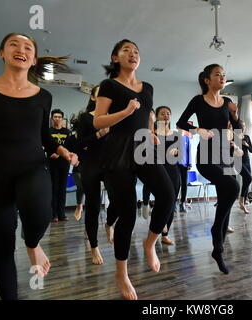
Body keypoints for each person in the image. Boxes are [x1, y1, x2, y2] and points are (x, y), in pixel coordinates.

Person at [0, 33, 77, 300]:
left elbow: (44, 137)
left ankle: (33, 244)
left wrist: (62, 150)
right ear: (1, 52)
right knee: (1, 244)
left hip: (32, 167)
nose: (21, 49)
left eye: (28, 47)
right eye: (13, 44)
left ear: (33, 59)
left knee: (39, 210)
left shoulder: (43, 96)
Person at [94, 39, 175, 300]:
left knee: (167, 194)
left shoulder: (147, 87)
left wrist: (151, 133)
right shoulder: (109, 85)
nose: (133, 54)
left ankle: (150, 242)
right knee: (127, 214)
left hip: (142, 145)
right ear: (115, 57)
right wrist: (126, 111)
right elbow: (98, 121)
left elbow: (148, 116)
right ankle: (121, 272)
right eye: (126, 50)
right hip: (117, 148)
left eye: (136, 51)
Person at [177, 63, 241, 275]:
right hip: (205, 156)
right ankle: (217, 230)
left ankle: (218, 248)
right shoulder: (198, 101)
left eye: (224, 74)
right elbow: (181, 123)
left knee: (228, 192)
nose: (222, 77)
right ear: (207, 79)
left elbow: (238, 129)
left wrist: (236, 116)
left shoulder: (228, 102)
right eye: (217, 74)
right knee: (232, 187)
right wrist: (198, 129)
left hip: (224, 154)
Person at [77, 85, 118, 264]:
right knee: (93, 207)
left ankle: (109, 224)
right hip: (90, 164)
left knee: (118, 199)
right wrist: (99, 133)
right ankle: (94, 247)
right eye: (100, 93)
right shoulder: (85, 118)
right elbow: (80, 144)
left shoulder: (115, 117)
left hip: (110, 165)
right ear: (93, 98)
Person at [155, 106, 181, 245]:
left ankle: (165, 233)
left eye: (168, 114)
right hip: (159, 171)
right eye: (162, 114)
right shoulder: (152, 133)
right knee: (163, 201)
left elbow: (180, 154)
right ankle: (158, 228)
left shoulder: (175, 134)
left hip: (173, 170)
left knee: (172, 202)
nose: (166, 116)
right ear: (157, 117)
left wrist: (176, 150)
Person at [48, 108, 72, 222]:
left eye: (59, 117)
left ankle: (62, 214)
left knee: (62, 188)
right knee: (54, 188)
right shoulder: (48, 131)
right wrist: (52, 153)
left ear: (62, 119)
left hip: (64, 163)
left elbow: (69, 146)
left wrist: (61, 154)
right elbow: (45, 145)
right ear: (52, 118)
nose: (57, 119)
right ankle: (53, 215)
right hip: (52, 163)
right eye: (55, 117)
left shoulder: (67, 132)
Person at [66, 113, 85, 221]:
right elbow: (66, 152)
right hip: (77, 167)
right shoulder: (71, 139)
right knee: (80, 184)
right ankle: (79, 205)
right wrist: (73, 160)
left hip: (89, 165)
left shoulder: (89, 138)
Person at [237, 120, 252, 214]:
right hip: (238, 161)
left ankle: (243, 201)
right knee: (248, 178)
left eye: (244, 126)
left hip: (247, 161)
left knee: (246, 180)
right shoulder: (234, 137)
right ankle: (241, 201)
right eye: (241, 126)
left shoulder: (247, 137)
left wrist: (247, 145)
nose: (243, 127)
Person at [177, 126, 192, 213]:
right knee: (176, 184)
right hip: (175, 165)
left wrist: (189, 164)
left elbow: (189, 151)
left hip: (184, 165)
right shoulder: (174, 137)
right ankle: (173, 205)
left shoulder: (187, 139)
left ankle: (182, 203)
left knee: (184, 184)